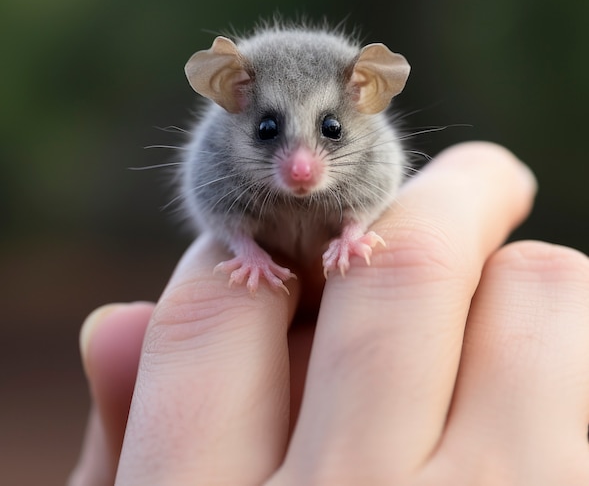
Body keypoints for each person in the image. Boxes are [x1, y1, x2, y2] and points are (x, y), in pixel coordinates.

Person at [68, 142, 589, 486]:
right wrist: (244, 250)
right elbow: (214, 207)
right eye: (271, 129)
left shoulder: (370, 153)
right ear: (228, 89)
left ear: (366, 90)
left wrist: (354, 229)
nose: (300, 165)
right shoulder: (218, 158)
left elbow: (378, 185)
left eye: (330, 129)